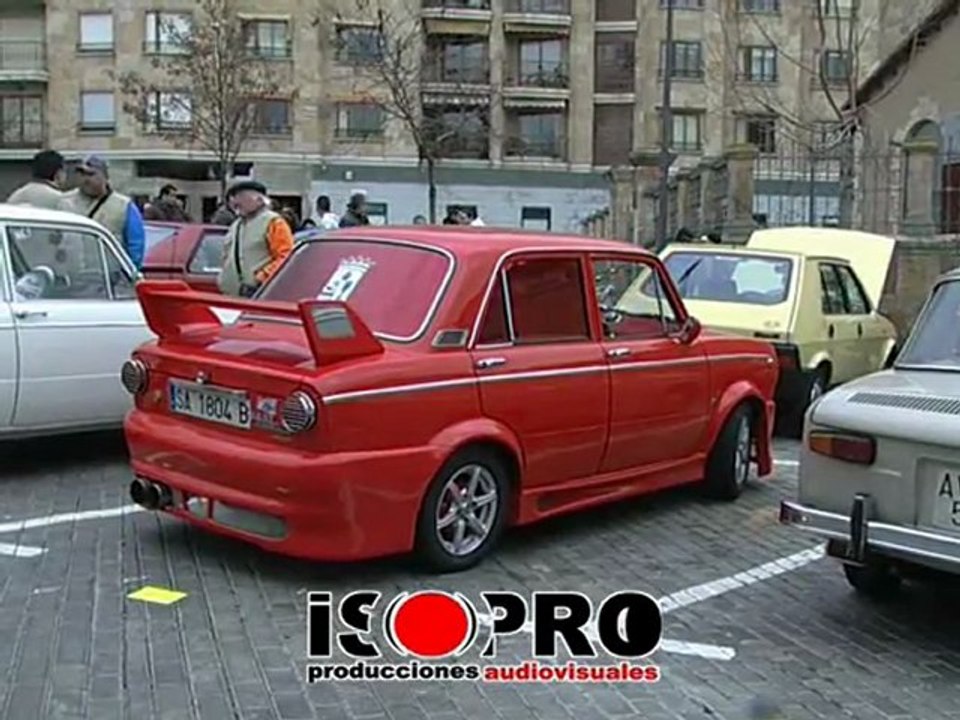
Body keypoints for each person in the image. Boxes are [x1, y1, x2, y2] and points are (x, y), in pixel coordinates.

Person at [59, 154, 145, 268]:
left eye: (91, 174)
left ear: (105, 176)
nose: (86, 179)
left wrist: (128, 272)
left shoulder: (123, 206)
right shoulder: (64, 202)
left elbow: (136, 247)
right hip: (72, 273)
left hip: (109, 275)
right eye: (82, 174)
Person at [217, 180, 294, 298]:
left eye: (241, 197)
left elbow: (286, 257)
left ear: (259, 200)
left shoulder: (273, 222)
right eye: (234, 198)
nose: (236, 202)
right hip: (232, 295)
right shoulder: (236, 225)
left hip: (259, 293)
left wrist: (262, 277)